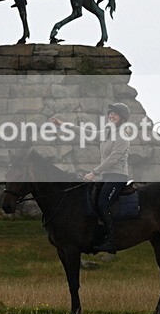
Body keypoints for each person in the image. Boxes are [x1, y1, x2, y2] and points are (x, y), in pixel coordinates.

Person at [50, 103, 132, 254]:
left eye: (115, 114)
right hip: (106, 176)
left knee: (102, 204)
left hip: (117, 176)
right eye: (110, 113)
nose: (111, 116)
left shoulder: (122, 136)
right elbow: (88, 133)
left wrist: (94, 173)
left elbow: (112, 160)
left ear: (122, 118)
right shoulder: (108, 132)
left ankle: (111, 242)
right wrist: (63, 125)